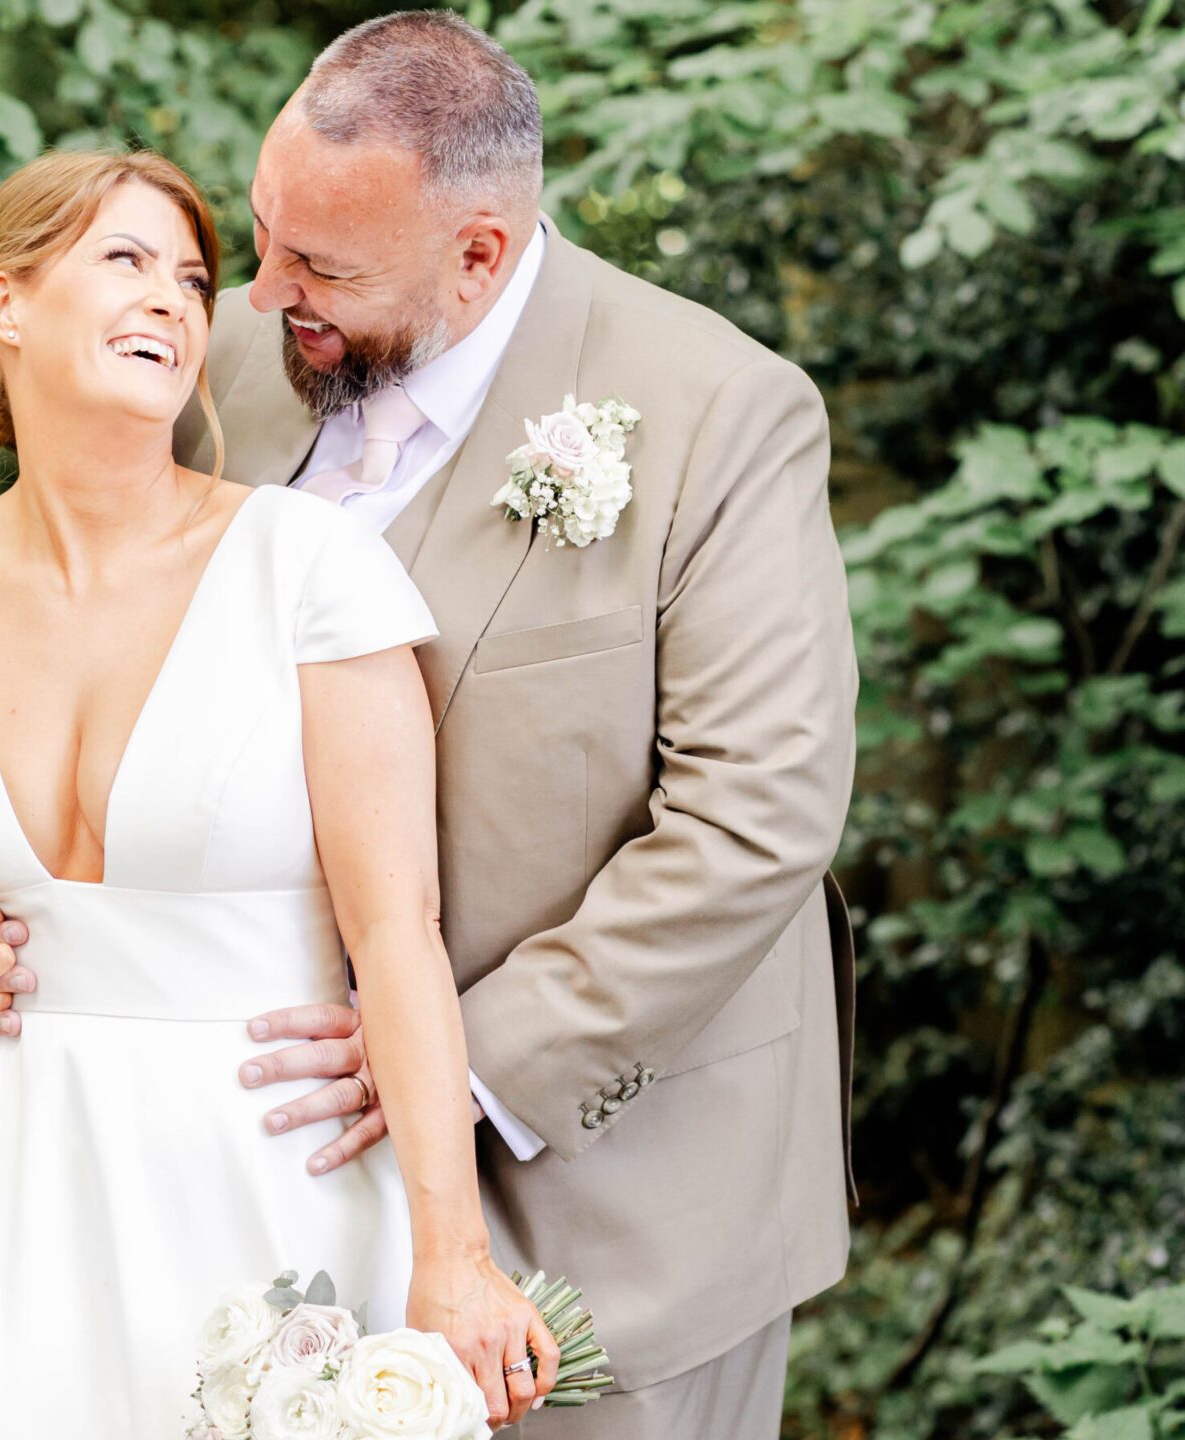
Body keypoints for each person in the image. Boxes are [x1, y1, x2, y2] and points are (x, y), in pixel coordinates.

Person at [0, 148, 559, 1439]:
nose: (175, 302)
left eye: (192, 278)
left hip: (258, 1192)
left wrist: (451, 1253)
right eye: (123, 261)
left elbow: (395, 935)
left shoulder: (307, 569)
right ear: (6, 305)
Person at [172, 14, 859, 1440]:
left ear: (478, 253)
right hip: (253, 1194)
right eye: (261, 235)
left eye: (322, 268)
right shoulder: (239, 381)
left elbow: (756, 820)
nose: (260, 293)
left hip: (613, 1218)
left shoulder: (717, 414)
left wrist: (452, 1064)